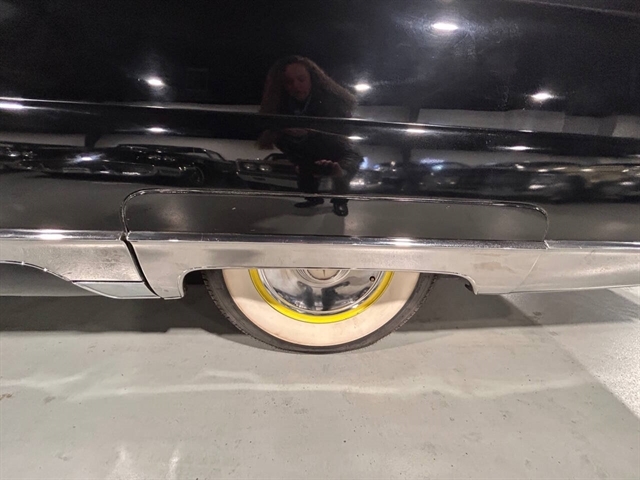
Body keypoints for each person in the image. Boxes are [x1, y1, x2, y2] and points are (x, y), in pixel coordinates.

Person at [258, 55, 362, 216]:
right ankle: (313, 198)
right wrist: (297, 144)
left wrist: (310, 133)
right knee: (305, 175)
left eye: (301, 79)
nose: (296, 86)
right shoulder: (279, 105)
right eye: (288, 82)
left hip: (340, 149)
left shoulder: (334, 102)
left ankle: (340, 201)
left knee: (342, 170)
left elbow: (343, 137)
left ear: (312, 78)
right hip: (309, 151)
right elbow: (273, 136)